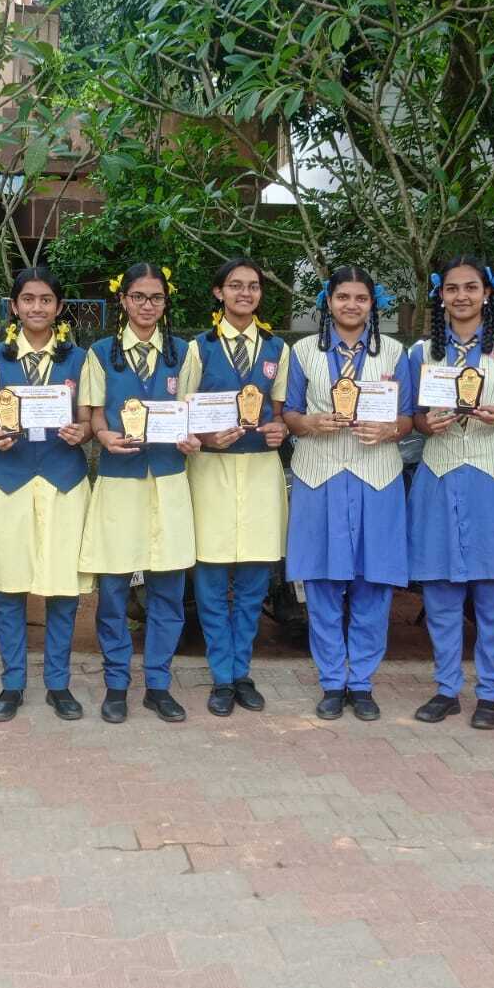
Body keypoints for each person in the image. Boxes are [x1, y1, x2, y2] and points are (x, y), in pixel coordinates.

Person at [407, 258, 494, 731]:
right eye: (452, 289)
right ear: (440, 296)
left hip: (492, 477)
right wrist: (426, 424)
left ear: (487, 293)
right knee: (440, 588)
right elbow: (412, 415)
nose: (461, 296)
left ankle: (490, 693)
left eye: (471, 288)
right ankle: (446, 689)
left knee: (493, 590)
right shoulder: (421, 352)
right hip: (439, 475)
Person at [283, 266, 414, 721]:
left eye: (361, 298)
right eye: (343, 297)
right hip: (319, 475)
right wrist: (309, 423)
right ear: (329, 302)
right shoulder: (303, 351)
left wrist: (389, 430)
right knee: (322, 581)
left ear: (372, 304)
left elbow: (408, 418)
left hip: (376, 476)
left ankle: (361, 682)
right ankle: (331, 681)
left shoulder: (395, 352)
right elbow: (290, 414)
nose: (351, 305)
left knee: (373, 581)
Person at [79, 263, 201, 724]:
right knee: (113, 589)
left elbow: (190, 411)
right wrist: (103, 436)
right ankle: (116, 684)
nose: (147, 305)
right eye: (139, 297)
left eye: (156, 297)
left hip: (168, 480)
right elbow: (94, 414)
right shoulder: (101, 353)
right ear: (123, 300)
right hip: (119, 482)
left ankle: (158, 684)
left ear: (165, 303)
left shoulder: (183, 353)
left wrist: (191, 437)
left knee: (168, 588)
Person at [0, 267, 93, 722]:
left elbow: (87, 419)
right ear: (14, 306)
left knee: (63, 588)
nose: (37, 307)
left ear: (59, 307)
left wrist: (81, 432)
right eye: (28, 299)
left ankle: (58, 684)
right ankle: (12, 683)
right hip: (9, 481)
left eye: (46, 300)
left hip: (63, 481)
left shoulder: (78, 359)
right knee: (9, 586)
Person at [177, 258, 289, 717]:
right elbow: (182, 416)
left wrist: (282, 429)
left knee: (252, 583)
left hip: (260, 473)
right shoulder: (198, 349)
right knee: (209, 582)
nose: (245, 293)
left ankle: (242, 671)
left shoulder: (277, 348)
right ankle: (221, 675)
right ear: (218, 292)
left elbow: (281, 412)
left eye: (253, 286)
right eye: (235, 285)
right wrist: (203, 437)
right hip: (212, 474)